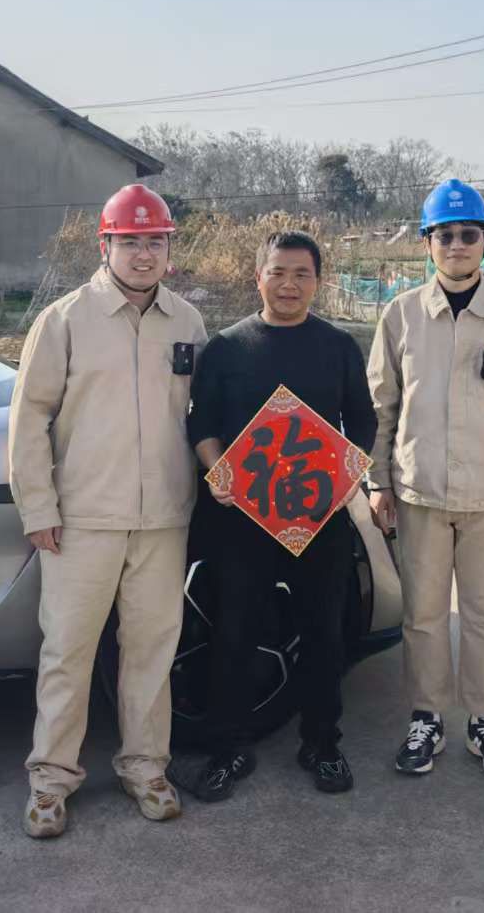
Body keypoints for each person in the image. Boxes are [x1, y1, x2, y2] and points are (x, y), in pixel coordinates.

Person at [9, 184, 208, 839]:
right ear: (106, 245)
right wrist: (38, 506)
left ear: (169, 247)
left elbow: (203, 415)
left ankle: (146, 768)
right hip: (82, 520)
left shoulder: (187, 322)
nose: (143, 254)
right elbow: (29, 419)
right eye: (130, 241)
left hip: (163, 520)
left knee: (152, 651)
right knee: (68, 651)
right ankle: (50, 781)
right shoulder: (64, 321)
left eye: (155, 241)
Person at [367, 179, 484, 780]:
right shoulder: (400, 316)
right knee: (422, 616)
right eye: (445, 235)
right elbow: (380, 409)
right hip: (419, 493)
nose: (456, 245)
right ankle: (426, 717)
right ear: (428, 242)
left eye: (468, 235)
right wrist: (378, 482)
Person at [185, 231, 377, 800]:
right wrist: (217, 469)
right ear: (258, 277)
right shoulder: (227, 347)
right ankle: (229, 748)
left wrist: (348, 477)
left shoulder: (337, 346)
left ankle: (322, 744)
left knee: (324, 632)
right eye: (278, 272)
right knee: (234, 631)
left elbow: (362, 421)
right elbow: (201, 423)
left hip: (318, 516)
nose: (289, 285)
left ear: (317, 281)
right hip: (240, 518)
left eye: (301, 274)